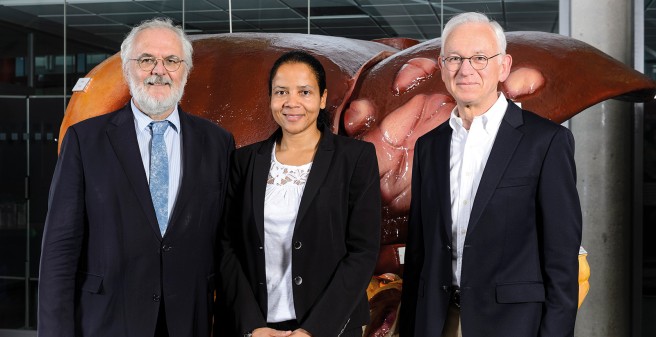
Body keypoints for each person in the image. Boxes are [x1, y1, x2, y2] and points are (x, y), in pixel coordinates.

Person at [38, 17, 234, 337]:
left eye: (171, 60)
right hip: (107, 320)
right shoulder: (85, 141)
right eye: (146, 60)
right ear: (127, 69)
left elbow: (226, 245)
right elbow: (59, 252)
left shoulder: (216, 143)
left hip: (190, 320)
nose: (159, 70)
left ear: (186, 69)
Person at [399, 12, 582, 337]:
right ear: (442, 68)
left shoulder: (546, 141)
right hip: (439, 321)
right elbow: (419, 253)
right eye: (454, 58)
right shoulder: (429, 146)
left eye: (480, 58)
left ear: (504, 66)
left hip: (513, 325)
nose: (465, 69)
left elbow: (561, 259)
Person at [216, 50, 381, 337]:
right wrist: (252, 325)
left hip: (330, 328)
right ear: (270, 98)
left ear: (323, 98)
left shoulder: (355, 158)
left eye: (304, 92)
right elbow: (227, 247)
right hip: (258, 329)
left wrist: (313, 330)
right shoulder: (243, 162)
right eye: (281, 92)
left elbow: (363, 252)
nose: (292, 102)